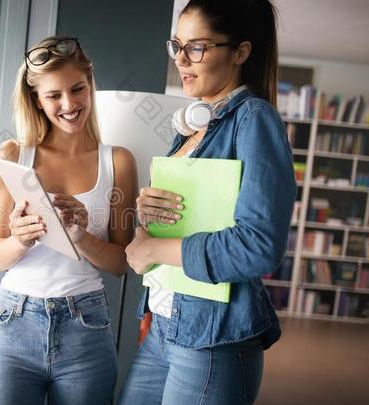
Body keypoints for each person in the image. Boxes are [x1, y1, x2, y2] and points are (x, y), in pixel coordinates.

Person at [119, 1, 296, 404]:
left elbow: (258, 246)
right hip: (165, 324)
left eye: (196, 47)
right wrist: (148, 218)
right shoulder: (194, 127)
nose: (181, 59)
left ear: (240, 52)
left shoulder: (254, 119)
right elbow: (192, 220)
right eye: (177, 46)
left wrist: (153, 248)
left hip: (212, 341)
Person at [0, 36, 137, 404]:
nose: (69, 104)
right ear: (37, 99)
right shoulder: (15, 155)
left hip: (86, 324)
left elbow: (122, 262)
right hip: (14, 321)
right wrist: (20, 239)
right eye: (54, 96)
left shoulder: (118, 162)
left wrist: (81, 236)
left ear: (90, 85)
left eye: (78, 89)